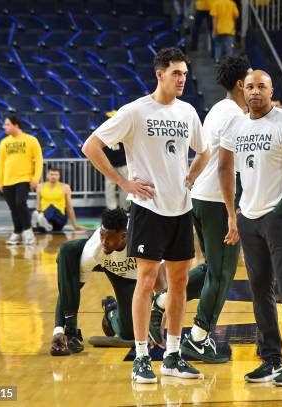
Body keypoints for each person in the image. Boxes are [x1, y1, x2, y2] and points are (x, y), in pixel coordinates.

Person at [81, 47, 211, 384]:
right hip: (148, 210)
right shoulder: (135, 111)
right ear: (160, 74)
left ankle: (172, 354)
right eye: (176, 73)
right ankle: (141, 356)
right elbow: (91, 146)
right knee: (148, 281)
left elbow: (205, 150)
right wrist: (124, 182)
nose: (182, 79)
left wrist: (191, 176)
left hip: (181, 209)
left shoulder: (188, 112)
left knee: (180, 284)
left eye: (184, 73)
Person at [220, 70, 282, 386]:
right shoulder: (237, 125)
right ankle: (271, 358)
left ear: (271, 90)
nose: (255, 92)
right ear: (242, 90)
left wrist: (281, 211)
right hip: (250, 218)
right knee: (259, 290)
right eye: (250, 87)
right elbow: (237, 172)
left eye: (262, 86)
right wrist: (237, 209)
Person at [154, 56, 249, 363]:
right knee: (222, 274)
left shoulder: (220, 109)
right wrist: (232, 213)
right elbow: (225, 166)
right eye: (250, 82)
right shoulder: (235, 115)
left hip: (200, 197)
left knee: (212, 268)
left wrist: (192, 182)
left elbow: (207, 153)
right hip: (217, 201)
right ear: (239, 84)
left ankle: (163, 302)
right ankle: (198, 337)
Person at [50, 209, 208, 355]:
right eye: (102, 236)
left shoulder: (144, 238)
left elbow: (161, 288)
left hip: (141, 277)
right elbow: (68, 290)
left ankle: (111, 311)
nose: (104, 241)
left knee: (130, 331)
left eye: (109, 238)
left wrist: (156, 327)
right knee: (68, 251)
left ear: (124, 236)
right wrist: (58, 329)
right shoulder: (94, 250)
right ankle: (110, 312)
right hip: (114, 271)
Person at [0, 116, 43, 245]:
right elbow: (1, 163)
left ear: (16, 125)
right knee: (13, 207)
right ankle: (17, 232)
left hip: (24, 179)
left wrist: (35, 178)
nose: (4, 127)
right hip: (7, 180)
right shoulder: (4, 142)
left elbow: (39, 160)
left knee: (20, 203)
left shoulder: (31, 140)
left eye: (7, 124)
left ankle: (28, 231)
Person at [31, 167, 87, 233]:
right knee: (44, 223)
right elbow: (38, 204)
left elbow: (69, 207)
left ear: (59, 176)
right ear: (47, 176)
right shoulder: (40, 186)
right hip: (45, 215)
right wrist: (39, 212)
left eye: (56, 175)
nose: (53, 177)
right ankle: (42, 223)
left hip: (59, 216)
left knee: (51, 207)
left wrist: (75, 225)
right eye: (51, 174)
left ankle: (40, 220)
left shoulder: (65, 187)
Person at [103, 142, 129, 210]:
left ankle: (124, 208)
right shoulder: (104, 136)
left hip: (123, 163)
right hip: (109, 165)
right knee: (109, 187)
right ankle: (111, 209)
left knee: (125, 187)